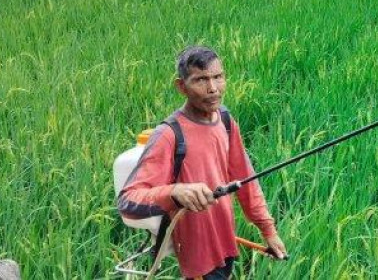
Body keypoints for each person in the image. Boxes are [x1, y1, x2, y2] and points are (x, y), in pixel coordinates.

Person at [118, 46, 287, 279]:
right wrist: (175, 192)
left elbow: (246, 181)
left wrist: (268, 231)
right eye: (201, 80)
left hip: (225, 240)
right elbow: (127, 200)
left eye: (218, 77)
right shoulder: (169, 135)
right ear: (181, 86)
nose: (213, 89)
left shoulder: (225, 120)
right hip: (198, 255)